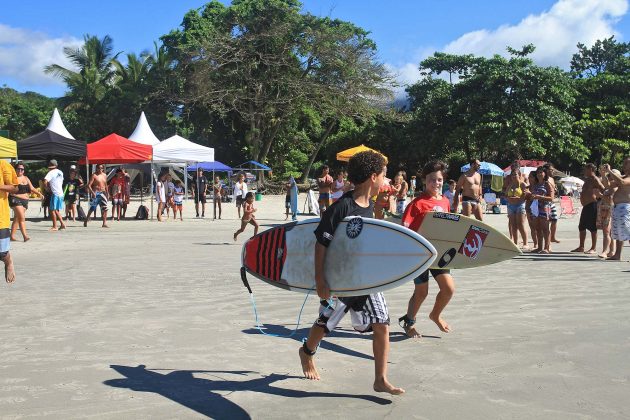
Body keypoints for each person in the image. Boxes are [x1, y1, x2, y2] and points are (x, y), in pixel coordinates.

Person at [298, 151, 403, 395]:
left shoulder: (371, 206)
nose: (386, 181)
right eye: (384, 176)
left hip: (364, 278)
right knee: (326, 322)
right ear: (373, 177)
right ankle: (307, 352)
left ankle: (380, 378)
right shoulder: (342, 206)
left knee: (382, 322)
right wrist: (320, 279)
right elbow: (321, 243)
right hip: (341, 278)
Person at [398, 160, 455, 338]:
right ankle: (409, 322)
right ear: (424, 180)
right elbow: (404, 229)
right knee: (422, 292)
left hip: (438, 253)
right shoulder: (417, 203)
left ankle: (435, 315)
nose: (436, 183)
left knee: (449, 289)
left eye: (439, 180)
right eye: (432, 179)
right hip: (420, 254)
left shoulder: (445, 201)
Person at [571, 163, 605, 254]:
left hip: (592, 205)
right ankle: (581, 247)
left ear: (590, 169)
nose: (584, 171)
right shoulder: (587, 179)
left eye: (585, 169)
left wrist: (600, 197)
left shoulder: (595, 179)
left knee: (592, 227)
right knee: (581, 226)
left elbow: (603, 189)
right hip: (586, 206)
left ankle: (593, 248)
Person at [601, 158, 630, 261]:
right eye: (624, 162)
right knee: (618, 232)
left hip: (625, 208)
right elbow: (607, 185)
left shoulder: (627, 178)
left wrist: (609, 171)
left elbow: (622, 183)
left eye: (627, 163)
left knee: (627, 231)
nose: (624, 164)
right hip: (617, 207)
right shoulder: (622, 176)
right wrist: (604, 174)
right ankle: (617, 254)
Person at [0, 160, 21, 284]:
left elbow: (15, 188)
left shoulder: (4, 165)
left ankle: (8, 261)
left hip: (1, 217)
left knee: (1, 253)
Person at [10, 162, 43, 242]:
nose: (20, 170)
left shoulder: (26, 178)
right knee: (21, 218)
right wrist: (20, 196)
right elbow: (10, 191)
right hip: (15, 199)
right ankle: (25, 236)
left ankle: (12, 236)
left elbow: (32, 188)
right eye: (19, 169)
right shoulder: (13, 178)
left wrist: (39, 194)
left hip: (24, 201)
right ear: (15, 169)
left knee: (17, 218)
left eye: (22, 169)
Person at [529, 166, 555, 254]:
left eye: (541, 172)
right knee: (538, 228)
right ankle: (539, 247)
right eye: (538, 173)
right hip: (536, 208)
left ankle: (546, 248)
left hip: (545, 207)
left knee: (545, 228)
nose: (539, 174)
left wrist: (540, 197)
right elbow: (532, 195)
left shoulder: (547, 184)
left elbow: (551, 198)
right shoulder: (535, 185)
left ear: (545, 174)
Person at [596, 167, 618, 258]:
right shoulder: (610, 186)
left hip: (609, 210)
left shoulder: (615, 187)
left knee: (606, 232)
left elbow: (610, 201)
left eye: (610, 176)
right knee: (610, 233)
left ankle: (605, 251)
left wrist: (600, 195)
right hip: (605, 210)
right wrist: (602, 174)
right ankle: (612, 251)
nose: (609, 177)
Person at [504, 167, 528, 248]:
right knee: (513, 225)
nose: (514, 176)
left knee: (520, 225)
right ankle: (515, 242)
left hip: (520, 205)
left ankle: (525, 243)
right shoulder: (510, 184)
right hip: (511, 206)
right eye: (512, 175)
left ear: (519, 175)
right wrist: (508, 198)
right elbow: (505, 195)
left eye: (515, 174)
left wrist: (517, 198)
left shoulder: (522, 184)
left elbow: (524, 197)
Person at [44, 159, 66, 231]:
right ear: (56, 165)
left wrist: (47, 188)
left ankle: (55, 226)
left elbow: (45, 181)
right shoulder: (60, 172)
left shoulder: (50, 172)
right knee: (56, 210)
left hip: (55, 193)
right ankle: (62, 224)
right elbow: (61, 181)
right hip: (61, 193)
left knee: (52, 210)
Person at [84, 164, 109, 228]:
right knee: (92, 208)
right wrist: (92, 192)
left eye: (101, 168)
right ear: (96, 168)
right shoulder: (94, 175)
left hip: (103, 193)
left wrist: (107, 193)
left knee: (105, 208)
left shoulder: (104, 175)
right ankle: (86, 219)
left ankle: (104, 223)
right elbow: (89, 185)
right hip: (96, 193)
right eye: (98, 168)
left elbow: (106, 185)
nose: (100, 169)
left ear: (103, 169)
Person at [543, 164, 560, 244]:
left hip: (552, 203)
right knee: (546, 222)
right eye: (551, 169)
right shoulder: (544, 179)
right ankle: (547, 239)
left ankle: (553, 237)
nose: (552, 171)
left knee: (554, 220)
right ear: (546, 170)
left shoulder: (552, 179)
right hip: (546, 202)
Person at [525, 172, 538, 250]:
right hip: (528, 208)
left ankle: (539, 244)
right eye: (529, 177)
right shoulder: (527, 187)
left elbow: (537, 197)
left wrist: (530, 194)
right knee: (532, 227)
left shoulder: (537, 187)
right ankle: (535, 244)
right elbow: (524, 199)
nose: (529, 179)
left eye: (531, 177)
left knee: (538, 227)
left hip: (536, 208)